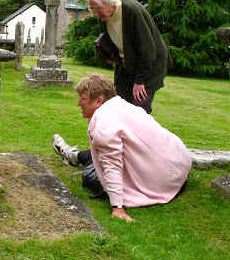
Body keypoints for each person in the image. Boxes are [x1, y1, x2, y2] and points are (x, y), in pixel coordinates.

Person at [53, 0, 172, 167]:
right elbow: (112, 41)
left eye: (97, 9)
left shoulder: (131, 10)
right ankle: (106, 156)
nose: (95, 14)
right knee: (116, 109)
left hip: (148, 69)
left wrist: (140, 81)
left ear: (111, 3)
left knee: (139, 112)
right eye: (92, 9)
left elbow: (148, 50)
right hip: (126, 68)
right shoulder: (104, 16)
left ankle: (145, 160)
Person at [66, 74, 191, 222]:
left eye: (83, 98)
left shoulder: (103, 122)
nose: (79, 103)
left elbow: (112, 165)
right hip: (180, 166)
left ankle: (74, 156)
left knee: (92, 179)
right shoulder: (124, 105)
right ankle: (74, 155)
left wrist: (117, 207)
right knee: (101, 157)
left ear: (99, 101)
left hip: (161, 182)